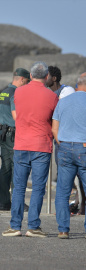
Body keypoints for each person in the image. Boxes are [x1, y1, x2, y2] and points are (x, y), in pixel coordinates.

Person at [2, 61, 58, 237]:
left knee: (19, 187)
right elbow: (54, 120)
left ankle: (15, 226)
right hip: (42, 145)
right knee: (38, 188)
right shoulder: (52, 96)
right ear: (47, 76)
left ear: (31, 76)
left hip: (21, 144)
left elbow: (16, 113)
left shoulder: (18, 92)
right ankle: (33, 226)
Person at [52, 72, 86, 239]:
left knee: (63, 191)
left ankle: (63, 229)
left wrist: (63, 144)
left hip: (64, 147)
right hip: (84, 148)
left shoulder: (63, 102)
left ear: (77, 84)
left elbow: (54, 128)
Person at [0, 68, 30, 211]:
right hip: (13, 134)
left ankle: (4, 203)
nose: (27, 85)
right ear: (22, 79)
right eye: (27, 81)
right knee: (16, 168)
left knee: (5, 168)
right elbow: (16, 115)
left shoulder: (3, 92)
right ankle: (18, 204)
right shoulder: (16, 93)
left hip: (3, 133)